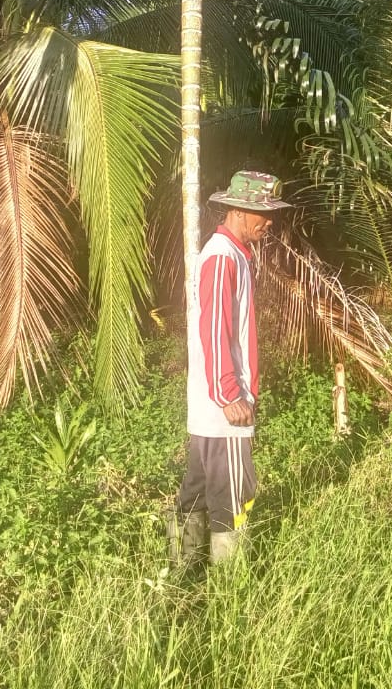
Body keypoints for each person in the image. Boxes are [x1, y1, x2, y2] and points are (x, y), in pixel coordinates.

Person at [167, 170, 291, 567]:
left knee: (200, 487)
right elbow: (214, 328)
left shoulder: (231, 254)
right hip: (224, 405)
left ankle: (184, 569)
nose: (268, 222)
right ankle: (230, 591)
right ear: (237, 210)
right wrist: (229, 392)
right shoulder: (223, 257)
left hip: (212, 407)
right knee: (234, 493)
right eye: (262, 213)